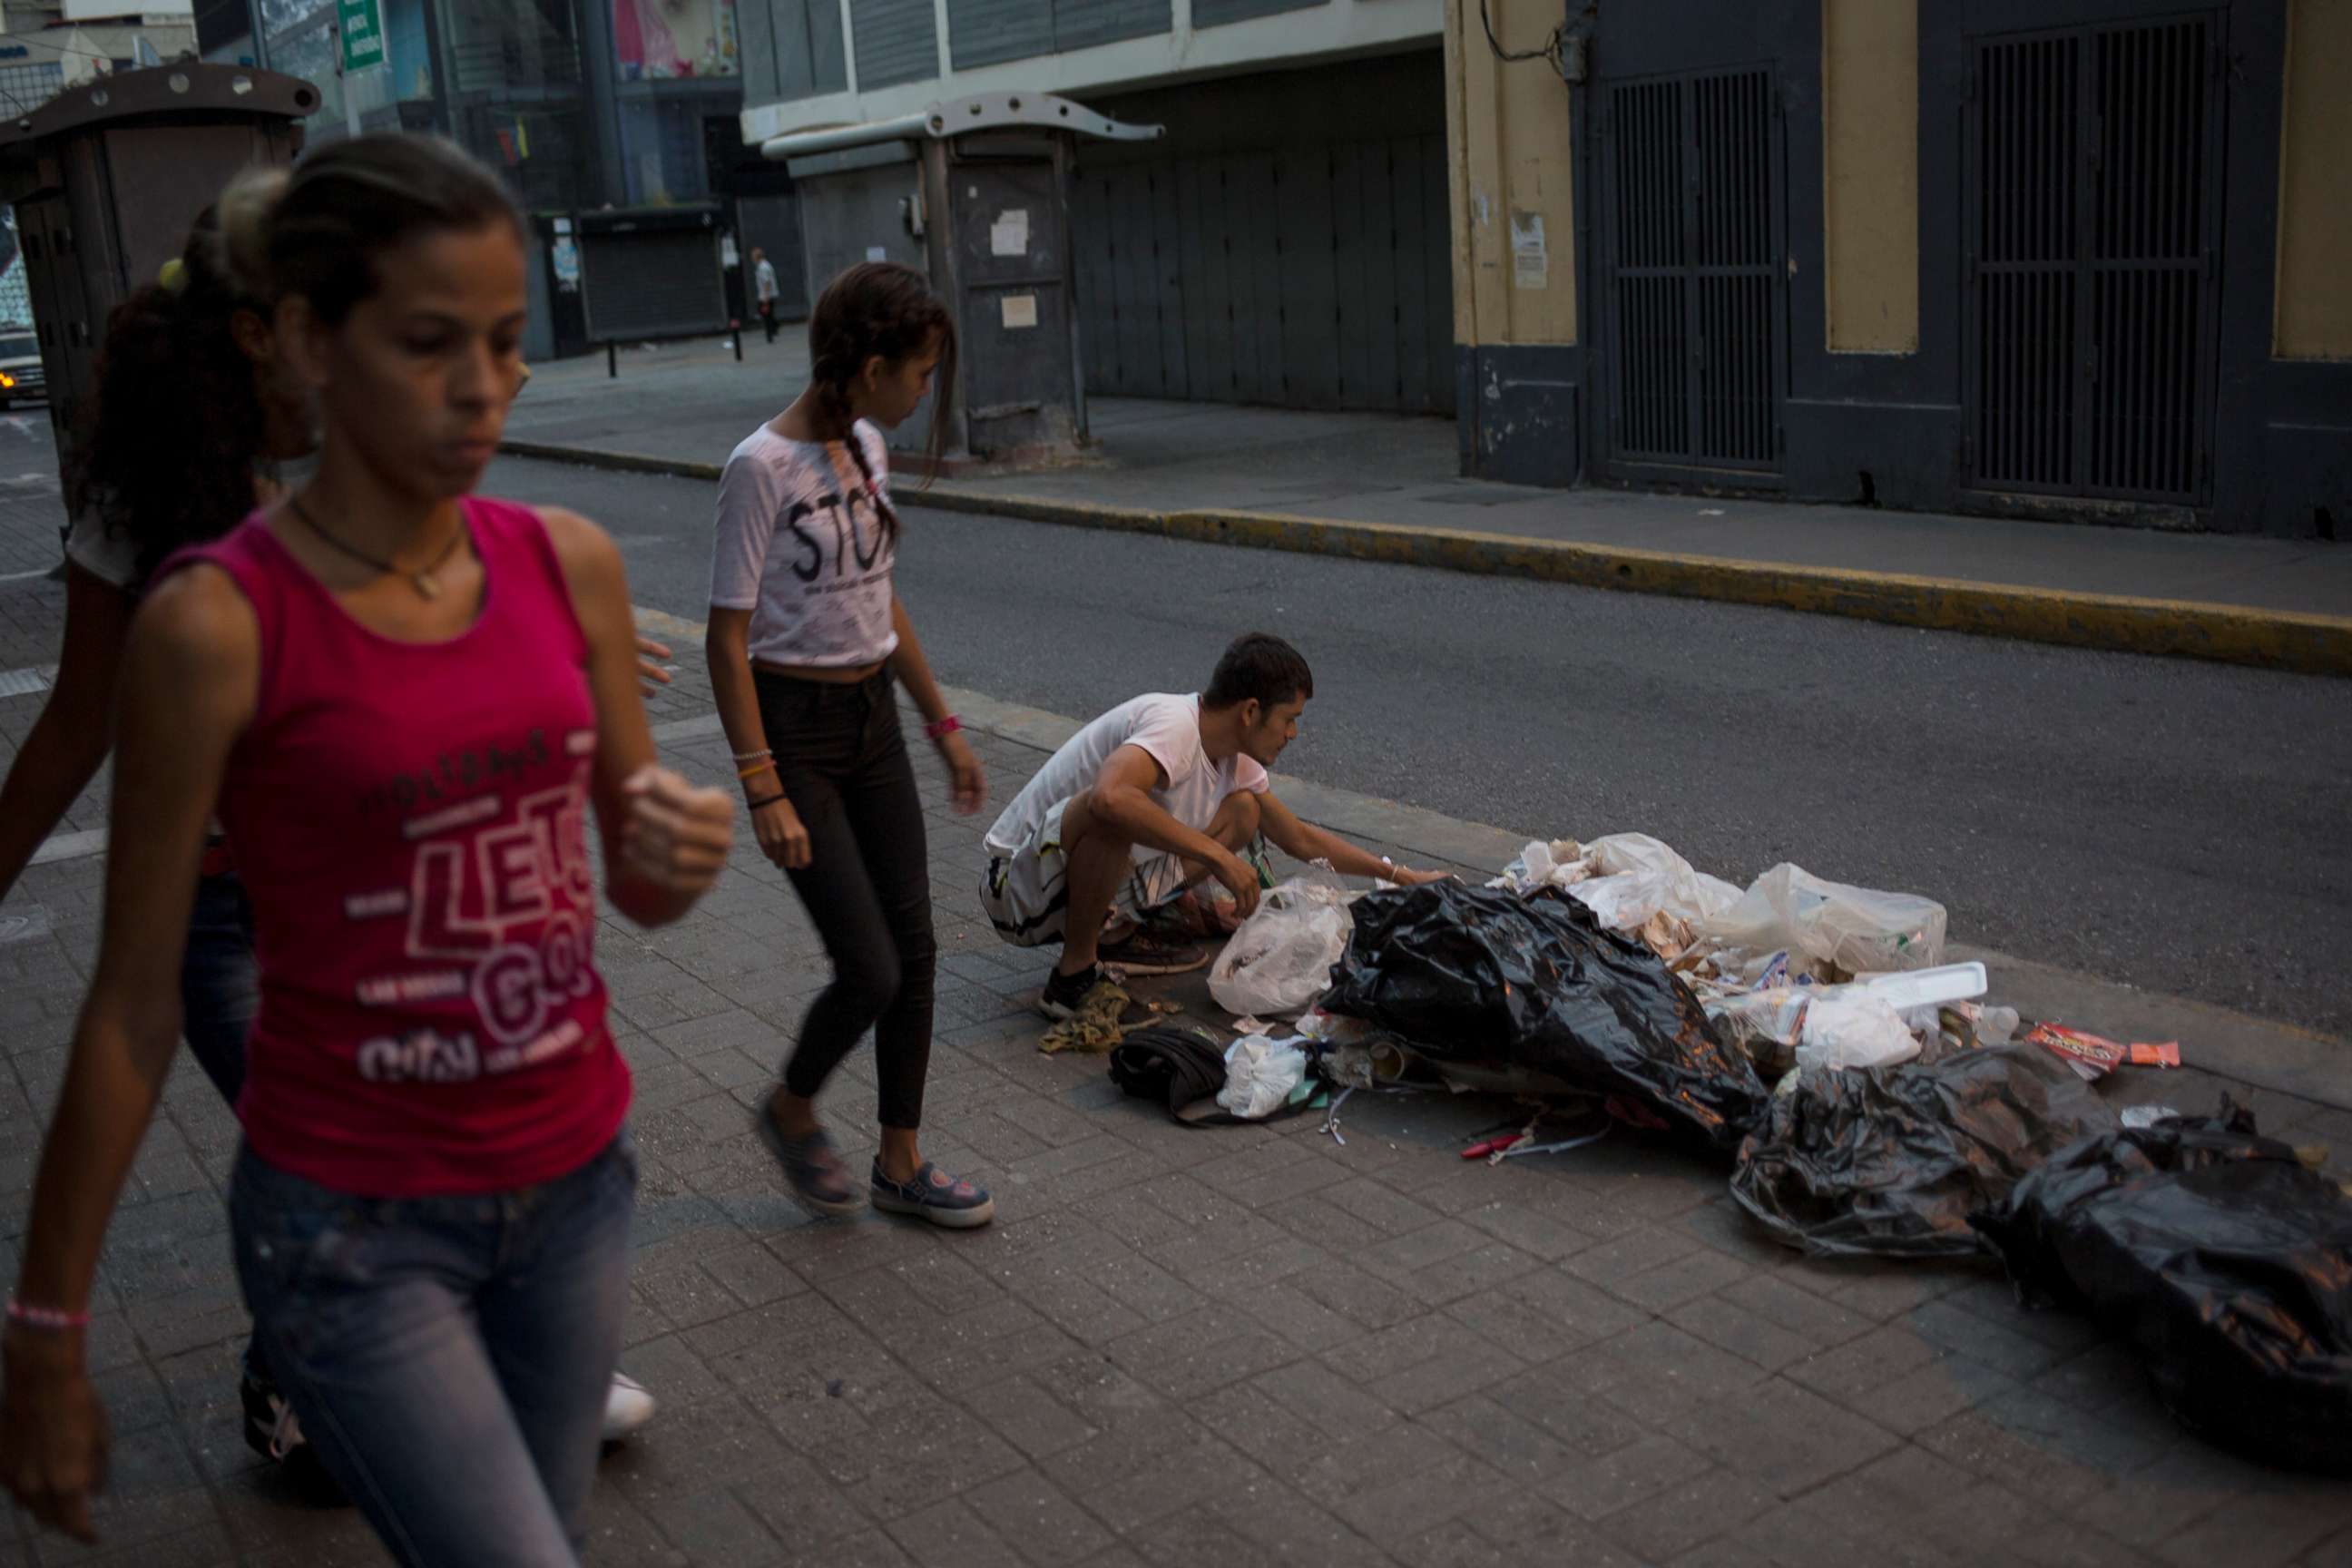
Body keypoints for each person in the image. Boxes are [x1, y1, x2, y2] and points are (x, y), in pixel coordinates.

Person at [0, 133, 735, 1562]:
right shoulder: (210, 623)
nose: (482, 386)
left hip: (578, 1189)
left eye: (510, 343)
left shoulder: (567, 563)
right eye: (426, 342)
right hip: (353, 1228)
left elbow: (638, 889)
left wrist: (677, 849)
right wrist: (45, 1329)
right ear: (305, 343)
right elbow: (132, 1007)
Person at [706, 260, 994, 1227]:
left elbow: (880, 601)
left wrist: (942, 724)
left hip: (872, 723)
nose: (924, 394)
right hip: (796, 733)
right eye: (918, 373)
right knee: (869, 966)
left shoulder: (862, 443)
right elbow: (725, 638)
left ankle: (901, 1161)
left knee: (915, 949)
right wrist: (762, 785)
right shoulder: (761, 468)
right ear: (870, 366)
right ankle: (791, 1106)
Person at [980, 632, 1450, 1016]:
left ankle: (1117, 936)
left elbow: (1299, 838)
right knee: (1118, 808)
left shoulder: (1235, 758)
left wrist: (1400, 877)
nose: (1293, 734)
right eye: (1289, 719)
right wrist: (1217, 857)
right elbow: (1108, 798)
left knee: (1244, 810)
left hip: (1068, 886)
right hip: (1015, 888)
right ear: (1250, 711)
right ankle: (1071, 981)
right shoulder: (1175, 724)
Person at [751, 247, 779, 344]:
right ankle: (774, 327)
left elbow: (767, 282)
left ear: (757, 257)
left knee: (765, 315)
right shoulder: (765, 265)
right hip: (767, 295)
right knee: (768, 314)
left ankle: (770, 334)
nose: (752, 259)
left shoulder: (763, 267)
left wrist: (766, 297)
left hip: (766, 296)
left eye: (753, 257)